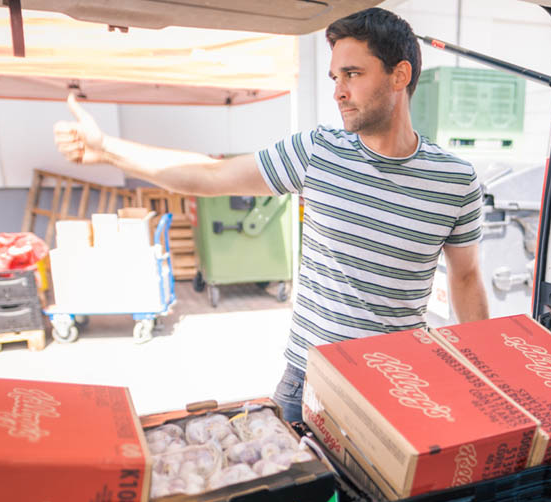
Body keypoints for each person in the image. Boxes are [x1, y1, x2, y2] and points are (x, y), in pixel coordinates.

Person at [54, 8, 489, 422]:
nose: (338, 91)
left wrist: (484, 380)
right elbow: (209, 175)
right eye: (335, 77)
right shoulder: (317, 152)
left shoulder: (455, 180)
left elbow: (466, 278)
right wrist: (107, 149)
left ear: (400, 75)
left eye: (352, 74)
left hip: (399, 385)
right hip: (308, 382)